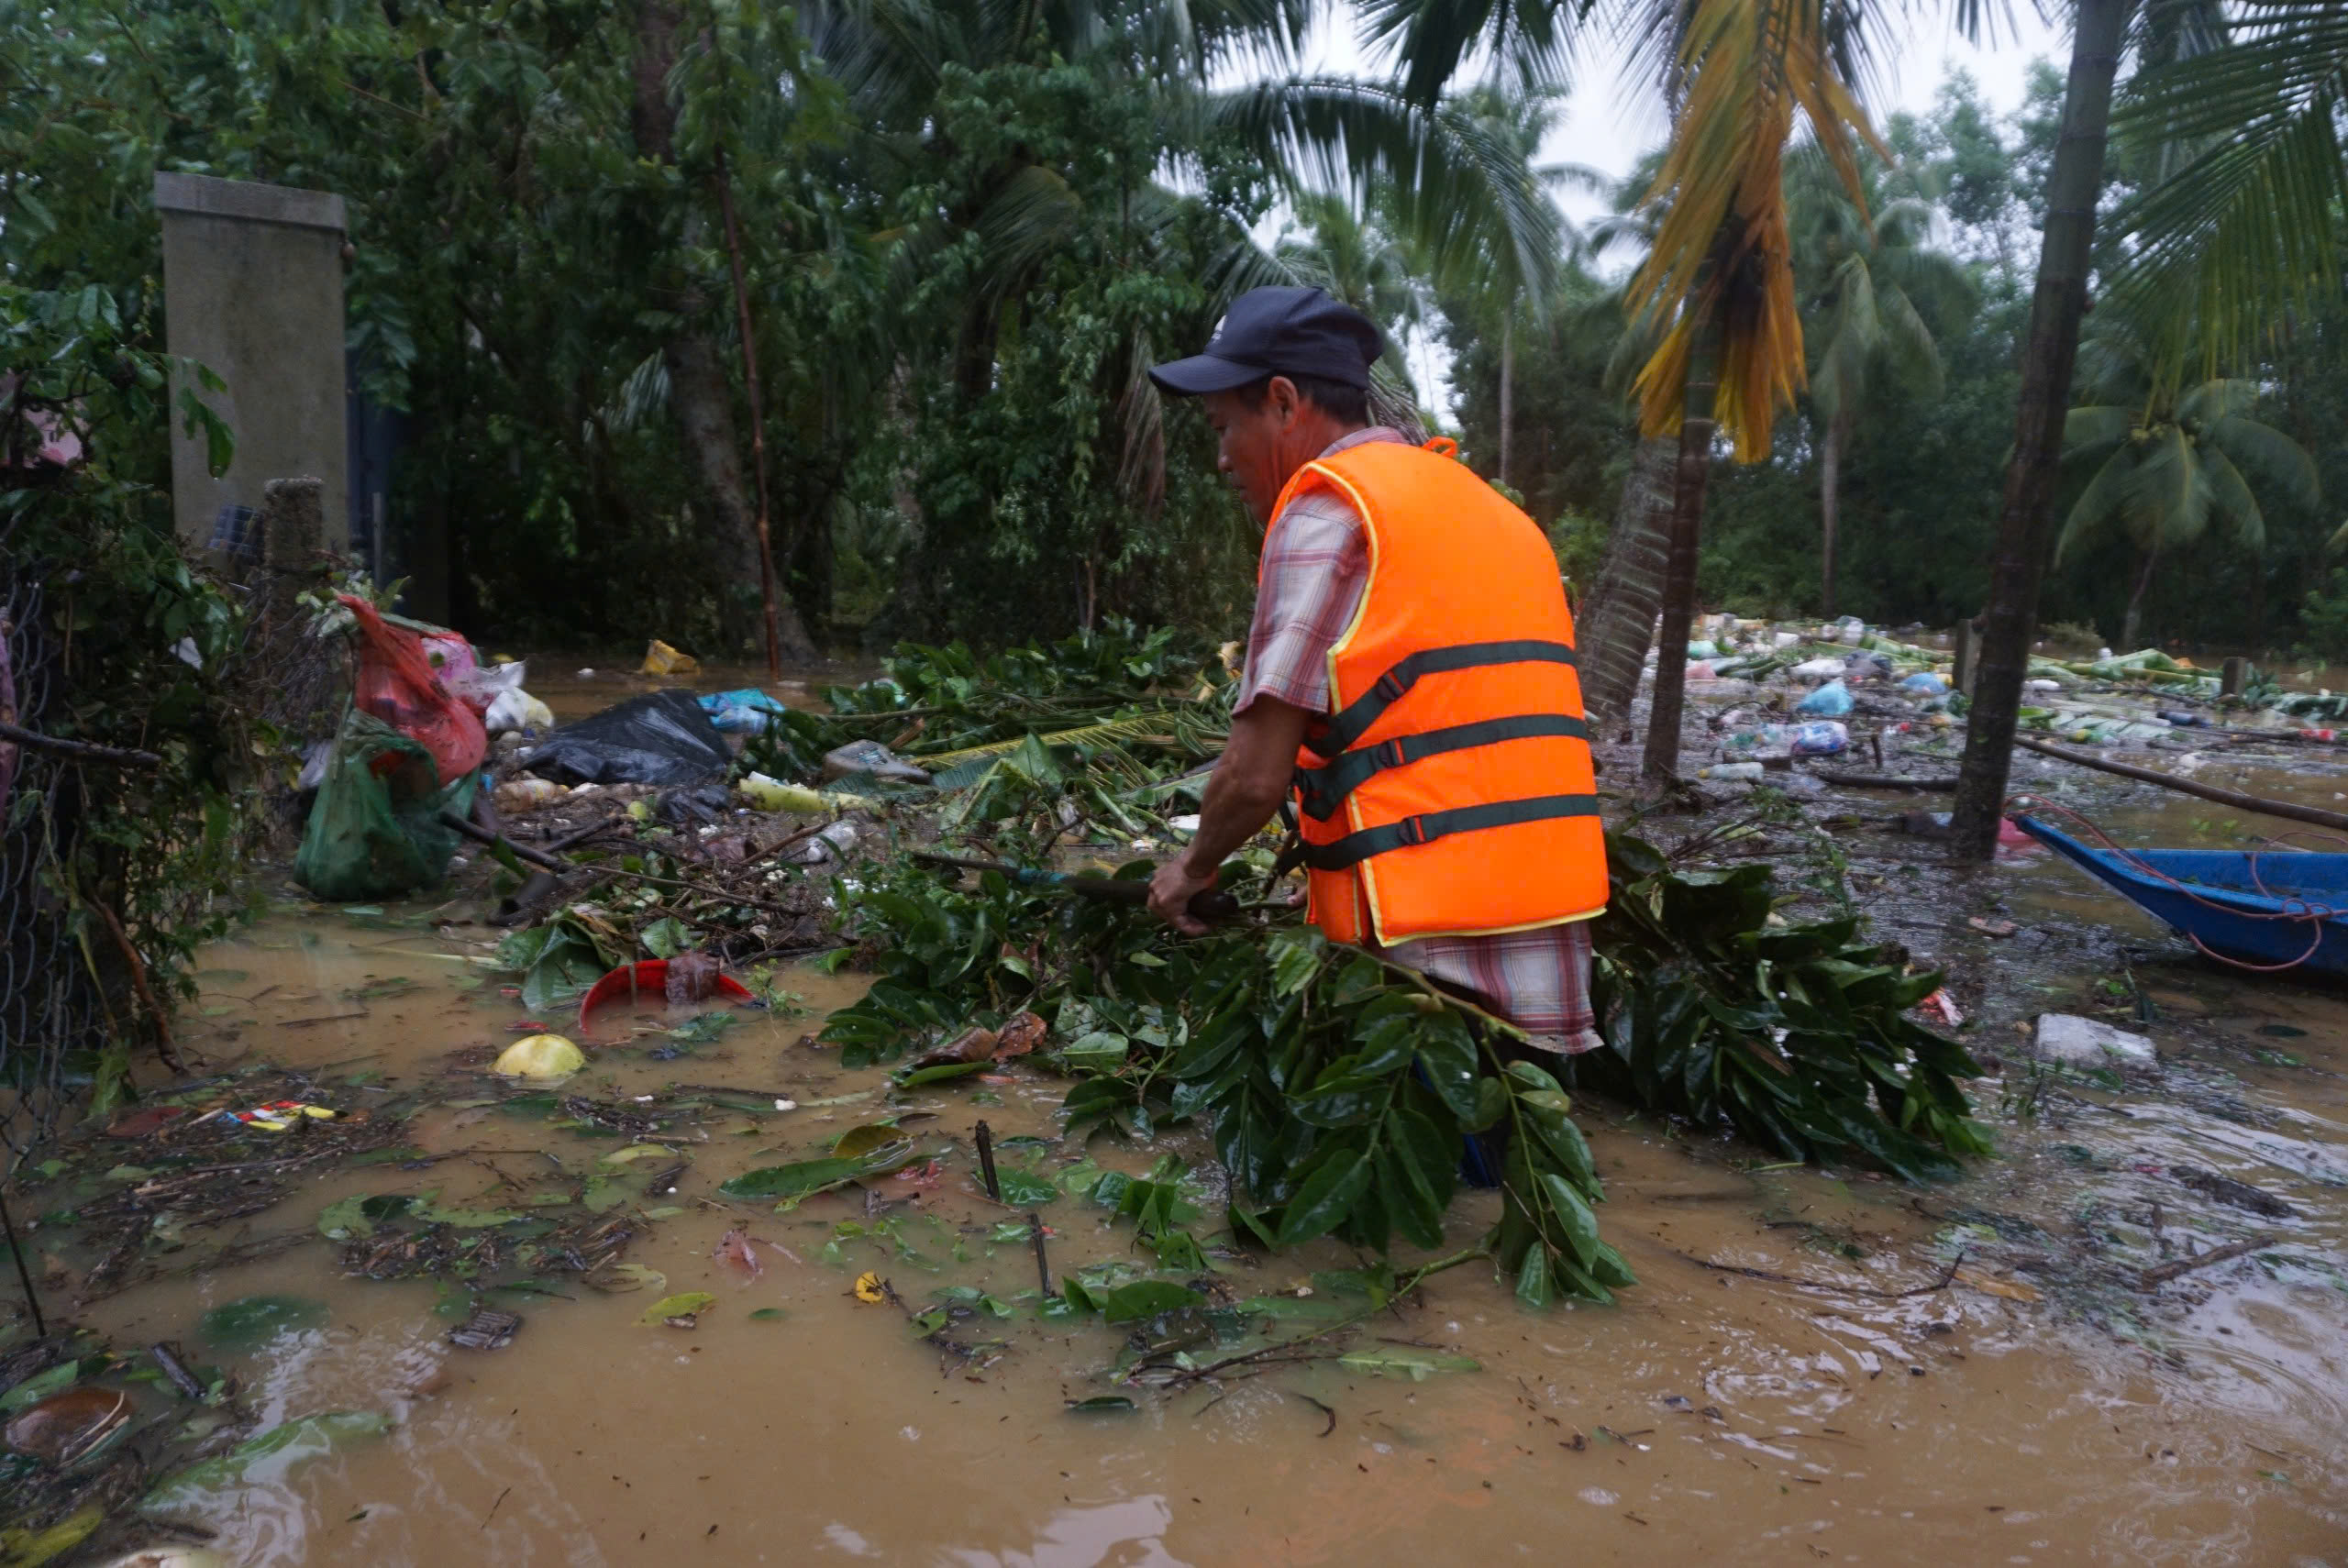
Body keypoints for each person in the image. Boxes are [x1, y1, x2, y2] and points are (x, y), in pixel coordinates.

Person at [1142, 285, 1608, 1058]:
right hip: (1554, 955)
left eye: (1224, 427)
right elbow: (1457, 733)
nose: (1221, 458)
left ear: (1285, 402)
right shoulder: (1497, 514)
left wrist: (1190, 869)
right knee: (1505, 1173)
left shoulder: (1329, 510)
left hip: (1425, 981)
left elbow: (1255, 779)